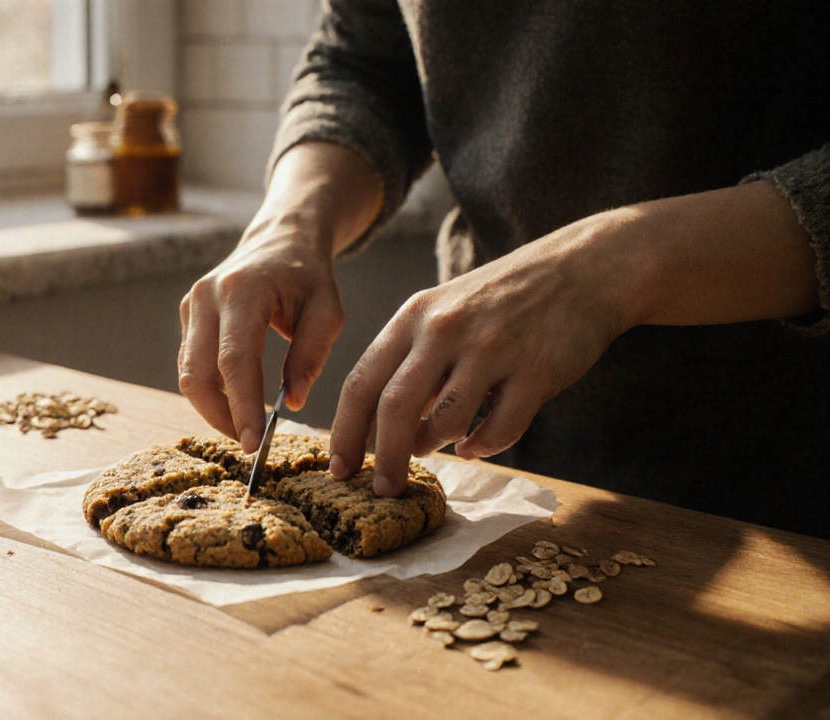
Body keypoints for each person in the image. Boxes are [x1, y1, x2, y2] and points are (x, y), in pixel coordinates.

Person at [178, 0, 830, 538]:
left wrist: (611, 266)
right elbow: (367, 61)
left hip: (789, 471)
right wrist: (291, 219)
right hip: (497, 453)